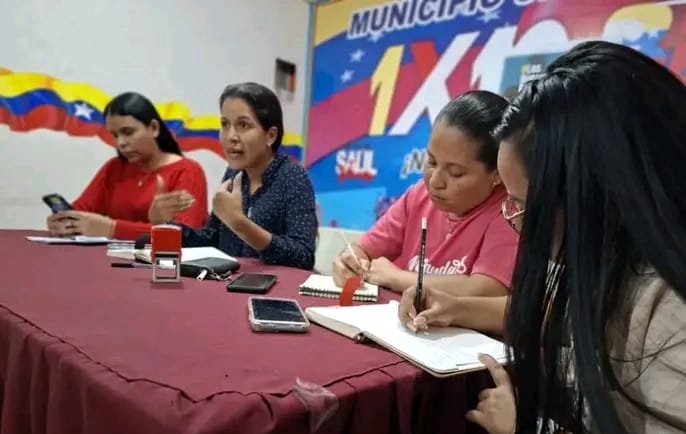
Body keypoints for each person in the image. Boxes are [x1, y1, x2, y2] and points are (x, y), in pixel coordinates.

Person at [453, 41, 686, 434]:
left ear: (593, 194)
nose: (518, 226)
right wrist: (455, 306)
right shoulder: (627, 260)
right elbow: (552, 315)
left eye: (522, 206)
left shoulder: (682, 305)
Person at [332, 91, 518, 301]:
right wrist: (350, 262)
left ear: (497, 172)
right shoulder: (419, 195)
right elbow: (363, 250)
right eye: (431, 162)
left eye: (455, 173)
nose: (435, 181)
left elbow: (488, 288)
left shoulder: (510, 212)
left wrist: (397, 278)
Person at [177, 82, 317, 270]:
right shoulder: (233, 173)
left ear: (271, 135)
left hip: (273, 285)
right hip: (230, 281)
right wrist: (167, 226)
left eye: (243, 125)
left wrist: (241, 225)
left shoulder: (293, 177)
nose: (231, 136)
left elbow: (303, 256)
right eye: (225, 124)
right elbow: (214, 238)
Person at [46, 92, 208, 240]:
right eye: (115, 135)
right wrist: (65, 222)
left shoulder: (188, 171)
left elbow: (184, 236)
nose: (120, 143)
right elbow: (81, 211)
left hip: (161, 261)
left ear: (154, 128)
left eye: (128, 132)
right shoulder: (114, 168)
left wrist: (111, 229)